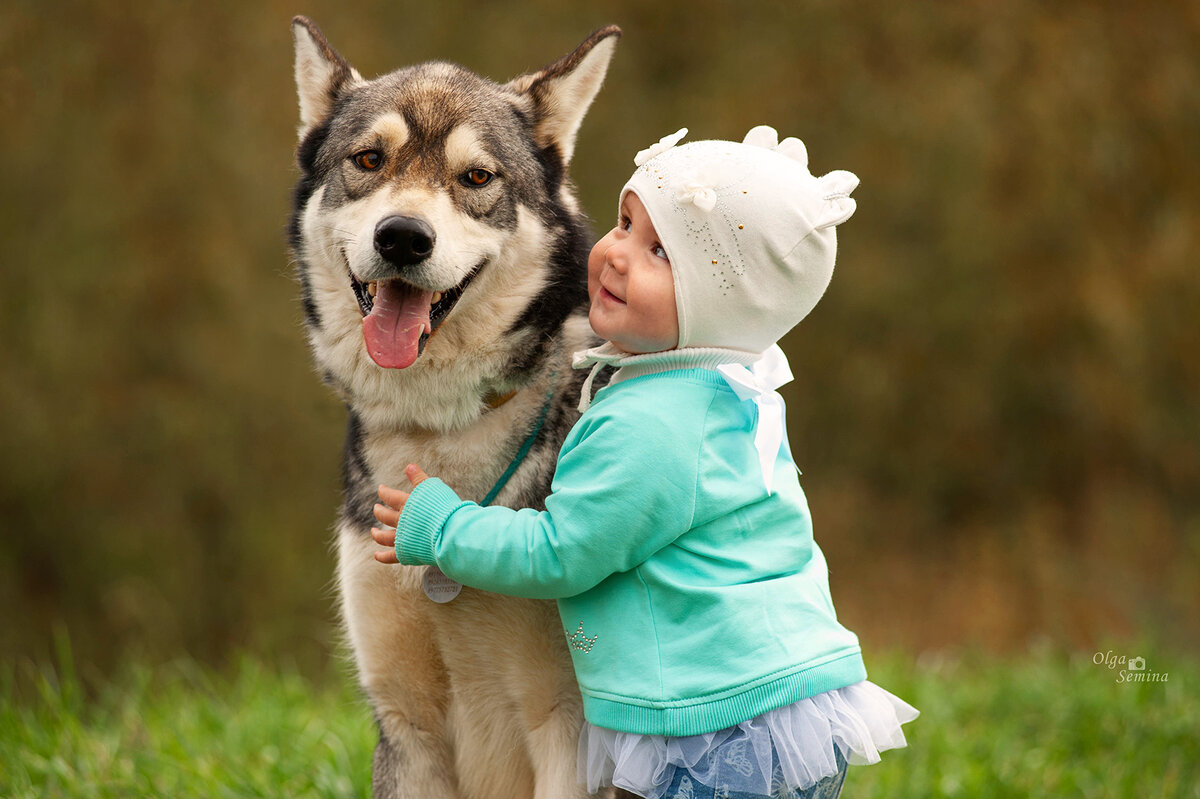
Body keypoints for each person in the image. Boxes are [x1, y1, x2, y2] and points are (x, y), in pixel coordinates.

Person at [370, 126, 918, 799]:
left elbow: (561, 552)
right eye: (626, 223)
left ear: (723, 302)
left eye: (661, 253)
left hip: (716, 731)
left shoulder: (654, 422)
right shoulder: (726, 385)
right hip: (761, 709)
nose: (618, 255)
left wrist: (445, 526)